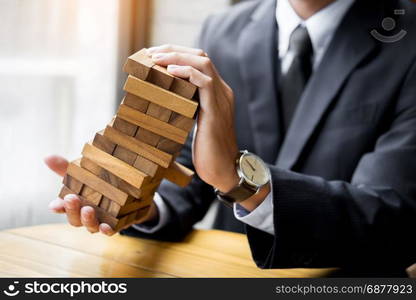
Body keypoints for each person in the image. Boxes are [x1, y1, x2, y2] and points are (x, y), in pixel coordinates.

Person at [45, 0, 416, 276]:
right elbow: (191, 167)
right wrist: (143, 204)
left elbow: (395, 218)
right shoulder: (221, 30)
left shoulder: (408, 40)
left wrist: (239, 181)